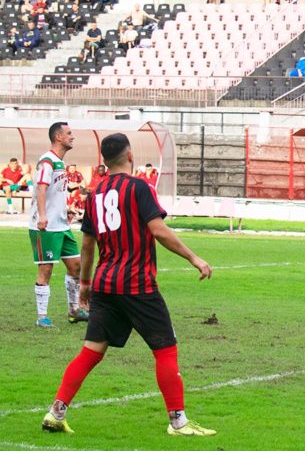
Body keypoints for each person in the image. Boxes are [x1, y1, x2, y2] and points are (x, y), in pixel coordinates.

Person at [41, 132, 215, 437]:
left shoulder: (94, 194)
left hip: (105, 285)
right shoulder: (139, 188)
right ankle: (178, 421)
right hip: (138, 285)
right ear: (130, 156)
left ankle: (56, 412)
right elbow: (158, 231)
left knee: (90, 352)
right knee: (165, 350)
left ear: (105, 161)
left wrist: (84, 284)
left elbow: (87, 244)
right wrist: (195, 258)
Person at [28, 122, 89, 327]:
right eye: (69, 133)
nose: (73, 137)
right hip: (46, 227)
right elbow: (42, 190)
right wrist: (43, 216)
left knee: (76, 266)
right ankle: (41, 317)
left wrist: (66, 210)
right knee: (46, 269)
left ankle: (74, 310)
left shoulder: (59, 163)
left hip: (62, 225)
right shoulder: (47, 162)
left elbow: (55, 192)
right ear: (58, 137)